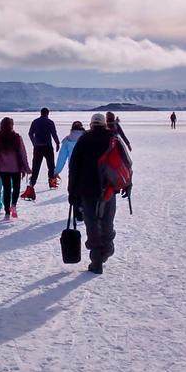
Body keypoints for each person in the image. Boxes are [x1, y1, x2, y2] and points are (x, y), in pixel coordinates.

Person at [69, 113, 129, 274]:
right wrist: (127, 184)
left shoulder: (83, 140)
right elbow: (125, 163)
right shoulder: (114, 139)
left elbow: (74, 168)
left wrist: (72, 192)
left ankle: (96, 261)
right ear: (104, 124)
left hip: (87, 190)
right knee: (107, 220)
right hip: (108, 188)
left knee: (92, 223)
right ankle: (107, 249)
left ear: (91, 125)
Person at [0, 117, 31, 219]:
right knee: (16, 188)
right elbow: (23, 154)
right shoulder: (17, 137)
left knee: (7, 189)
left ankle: (7, 212)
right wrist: (27, 168)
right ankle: (13, 205)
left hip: (3, 169)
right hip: (16, 168)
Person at [25, 107, 61, 197]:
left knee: (36, 166)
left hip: (38, 147)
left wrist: (34, 143)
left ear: (41, 113)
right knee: (51, 166)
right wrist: (57, 143)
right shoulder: (50, 122)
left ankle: (32, 184)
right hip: (48, 147)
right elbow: (54, 133)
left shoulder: (35, 122)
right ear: (47, 113)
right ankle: (52, 182)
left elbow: (30, 133)